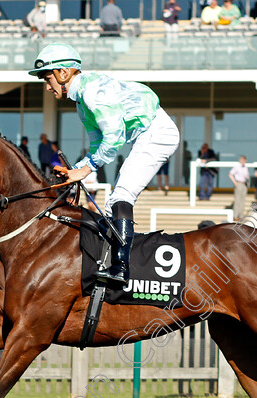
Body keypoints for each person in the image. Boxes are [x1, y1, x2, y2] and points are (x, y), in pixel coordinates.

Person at [29, 42, 180, 282]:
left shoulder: (91, 94)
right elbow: (98, 144)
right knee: (112, 204)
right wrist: (77, 169)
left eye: (48, 79)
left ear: (64, 73)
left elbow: (114, 137)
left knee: (121, 196)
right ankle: (111, 262)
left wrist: (86, 169)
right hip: (143, 134)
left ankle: (121, 268)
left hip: (156, 133)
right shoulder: (81, 103)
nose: (47, 87)